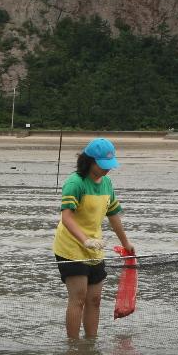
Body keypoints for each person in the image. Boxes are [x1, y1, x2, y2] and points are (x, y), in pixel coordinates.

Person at [53, 137, 135, 340]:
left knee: (95, 299)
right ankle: (73, 347)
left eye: (109, 165)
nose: (108, 169)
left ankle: (90, 344)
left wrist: (126, 243)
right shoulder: (75, 183)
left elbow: (113, 215)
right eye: (103, 165)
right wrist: (84, 240)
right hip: (71, 247)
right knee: (78, 299)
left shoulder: (107, 183)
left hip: (95, 248)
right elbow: (67, 217)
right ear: (90, 161)